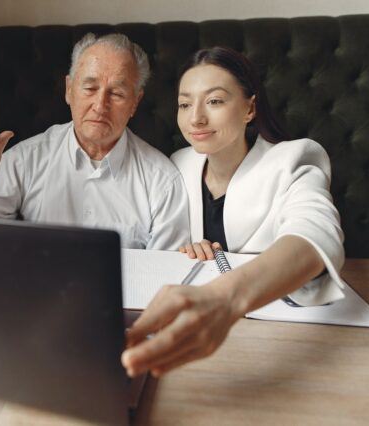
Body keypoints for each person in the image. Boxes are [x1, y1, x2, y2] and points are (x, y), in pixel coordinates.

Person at [122, 46, 345, 377]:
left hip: (282, 339)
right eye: (185, 104)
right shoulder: (178, 166)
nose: (196, 117)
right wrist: (186, 251)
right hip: (193, 344)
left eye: (214, 101)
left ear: (249, 108)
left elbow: (315, 234)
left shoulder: (293, 160)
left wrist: (225, 299)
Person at [0, 33, 190, 249]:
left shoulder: (162, 181)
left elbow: (167, 282)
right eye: (89, 88)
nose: (100, 106)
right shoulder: (27, 158)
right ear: (69, 90)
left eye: (118, 93)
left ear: (135, 102)